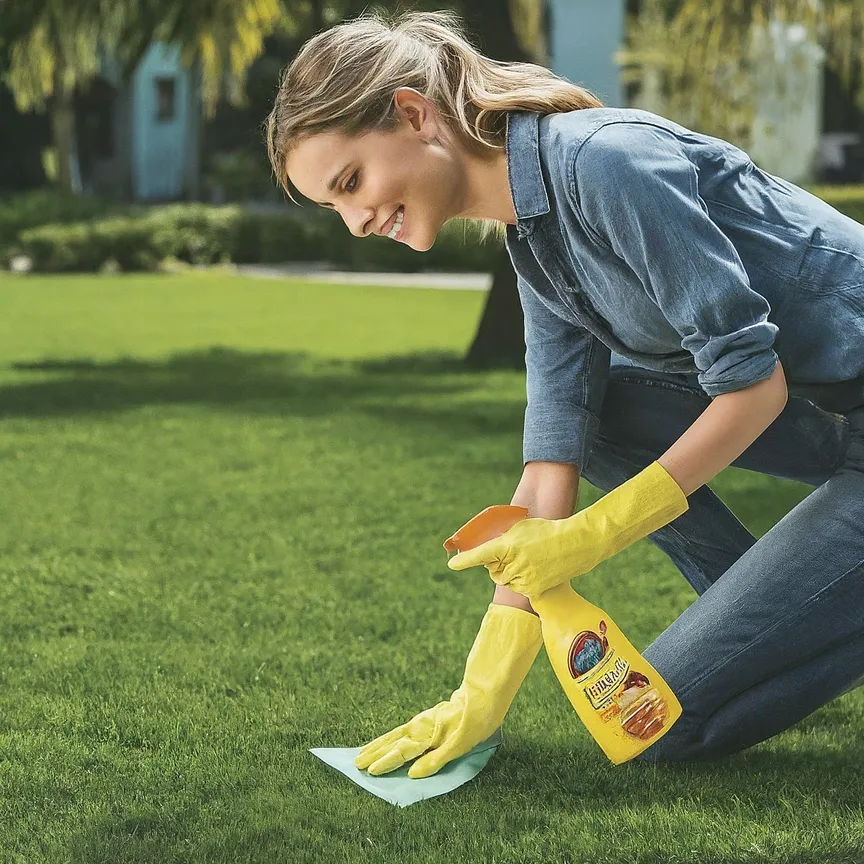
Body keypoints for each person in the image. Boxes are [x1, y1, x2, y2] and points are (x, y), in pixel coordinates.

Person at [265, 9, 864, 778]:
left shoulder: (604, 163)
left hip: (807, 404)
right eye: (334, 207)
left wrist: (592, 536)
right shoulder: (536, 244)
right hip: (838, 420)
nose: (356, 221)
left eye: (352, 183)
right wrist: (481, 690)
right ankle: (793, 598)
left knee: (658, 725)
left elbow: (754, 389)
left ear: (414, 114)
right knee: (597, 413)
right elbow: (552, 461)